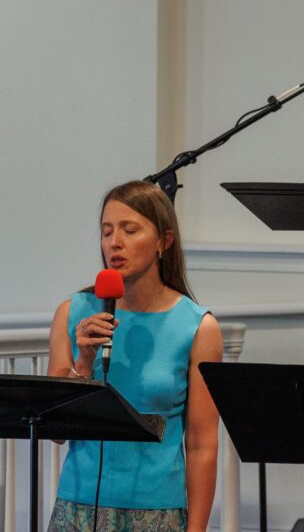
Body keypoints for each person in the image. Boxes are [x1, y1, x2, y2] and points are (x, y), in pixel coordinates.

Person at [46, 180, 222, 531]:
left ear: (164, 241)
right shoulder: (73, 312)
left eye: (130, 230)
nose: (115, 242)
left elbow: (202, 444)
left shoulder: (197, 327)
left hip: (157, 511)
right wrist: (83, 361)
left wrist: (198, 527)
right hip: (79, 506)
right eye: (107, 231)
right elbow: (54, 430)